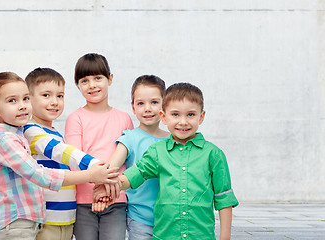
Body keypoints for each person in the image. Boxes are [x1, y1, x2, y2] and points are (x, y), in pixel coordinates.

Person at [0, 72, 119, 239]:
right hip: (28, 220)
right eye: (12, 100)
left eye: (25, 99)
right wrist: (94, 171)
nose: (23, 105)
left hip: (53, 218)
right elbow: (48, 167)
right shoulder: (21, 134)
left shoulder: (27, 134)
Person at [94, 82, 239, 240]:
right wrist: (109, 187)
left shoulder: (214, 154)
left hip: (201, 235)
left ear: (201, 116)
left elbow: (224, 199)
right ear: (164, 116)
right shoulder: (157, 151)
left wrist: (225, 238)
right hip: (164, 235)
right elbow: (134, 175)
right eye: (175, 114)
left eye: (190, 114)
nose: (183, 122)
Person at [23, 67, 110, 240]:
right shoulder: (30, 130)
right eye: (46, 95)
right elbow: (61, 152)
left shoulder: (55, 132)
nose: (54, 101)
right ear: (28, 99)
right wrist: (94, 166)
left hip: (66, 219)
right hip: (45, 220)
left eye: (60, 96)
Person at [65, 53, 134, 239]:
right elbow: (74, 159)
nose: (92, 85)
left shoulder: (124, 119)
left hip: (116, 199)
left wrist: (107, 190)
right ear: (77, 85)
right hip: (83, 202)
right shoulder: (75, 118)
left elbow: (129, 160)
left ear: (110, 79)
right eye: (85, 80)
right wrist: (98, 184)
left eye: (98, 78)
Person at [94, 75, 169, 240]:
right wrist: (103, 190)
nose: (147, 108)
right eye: (141, 103)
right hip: (139, 218)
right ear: (133, 108)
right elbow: (111, 169)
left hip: (170, 219)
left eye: (154, 102)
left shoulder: (172, 140)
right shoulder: (130, 138)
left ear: (165, 105)